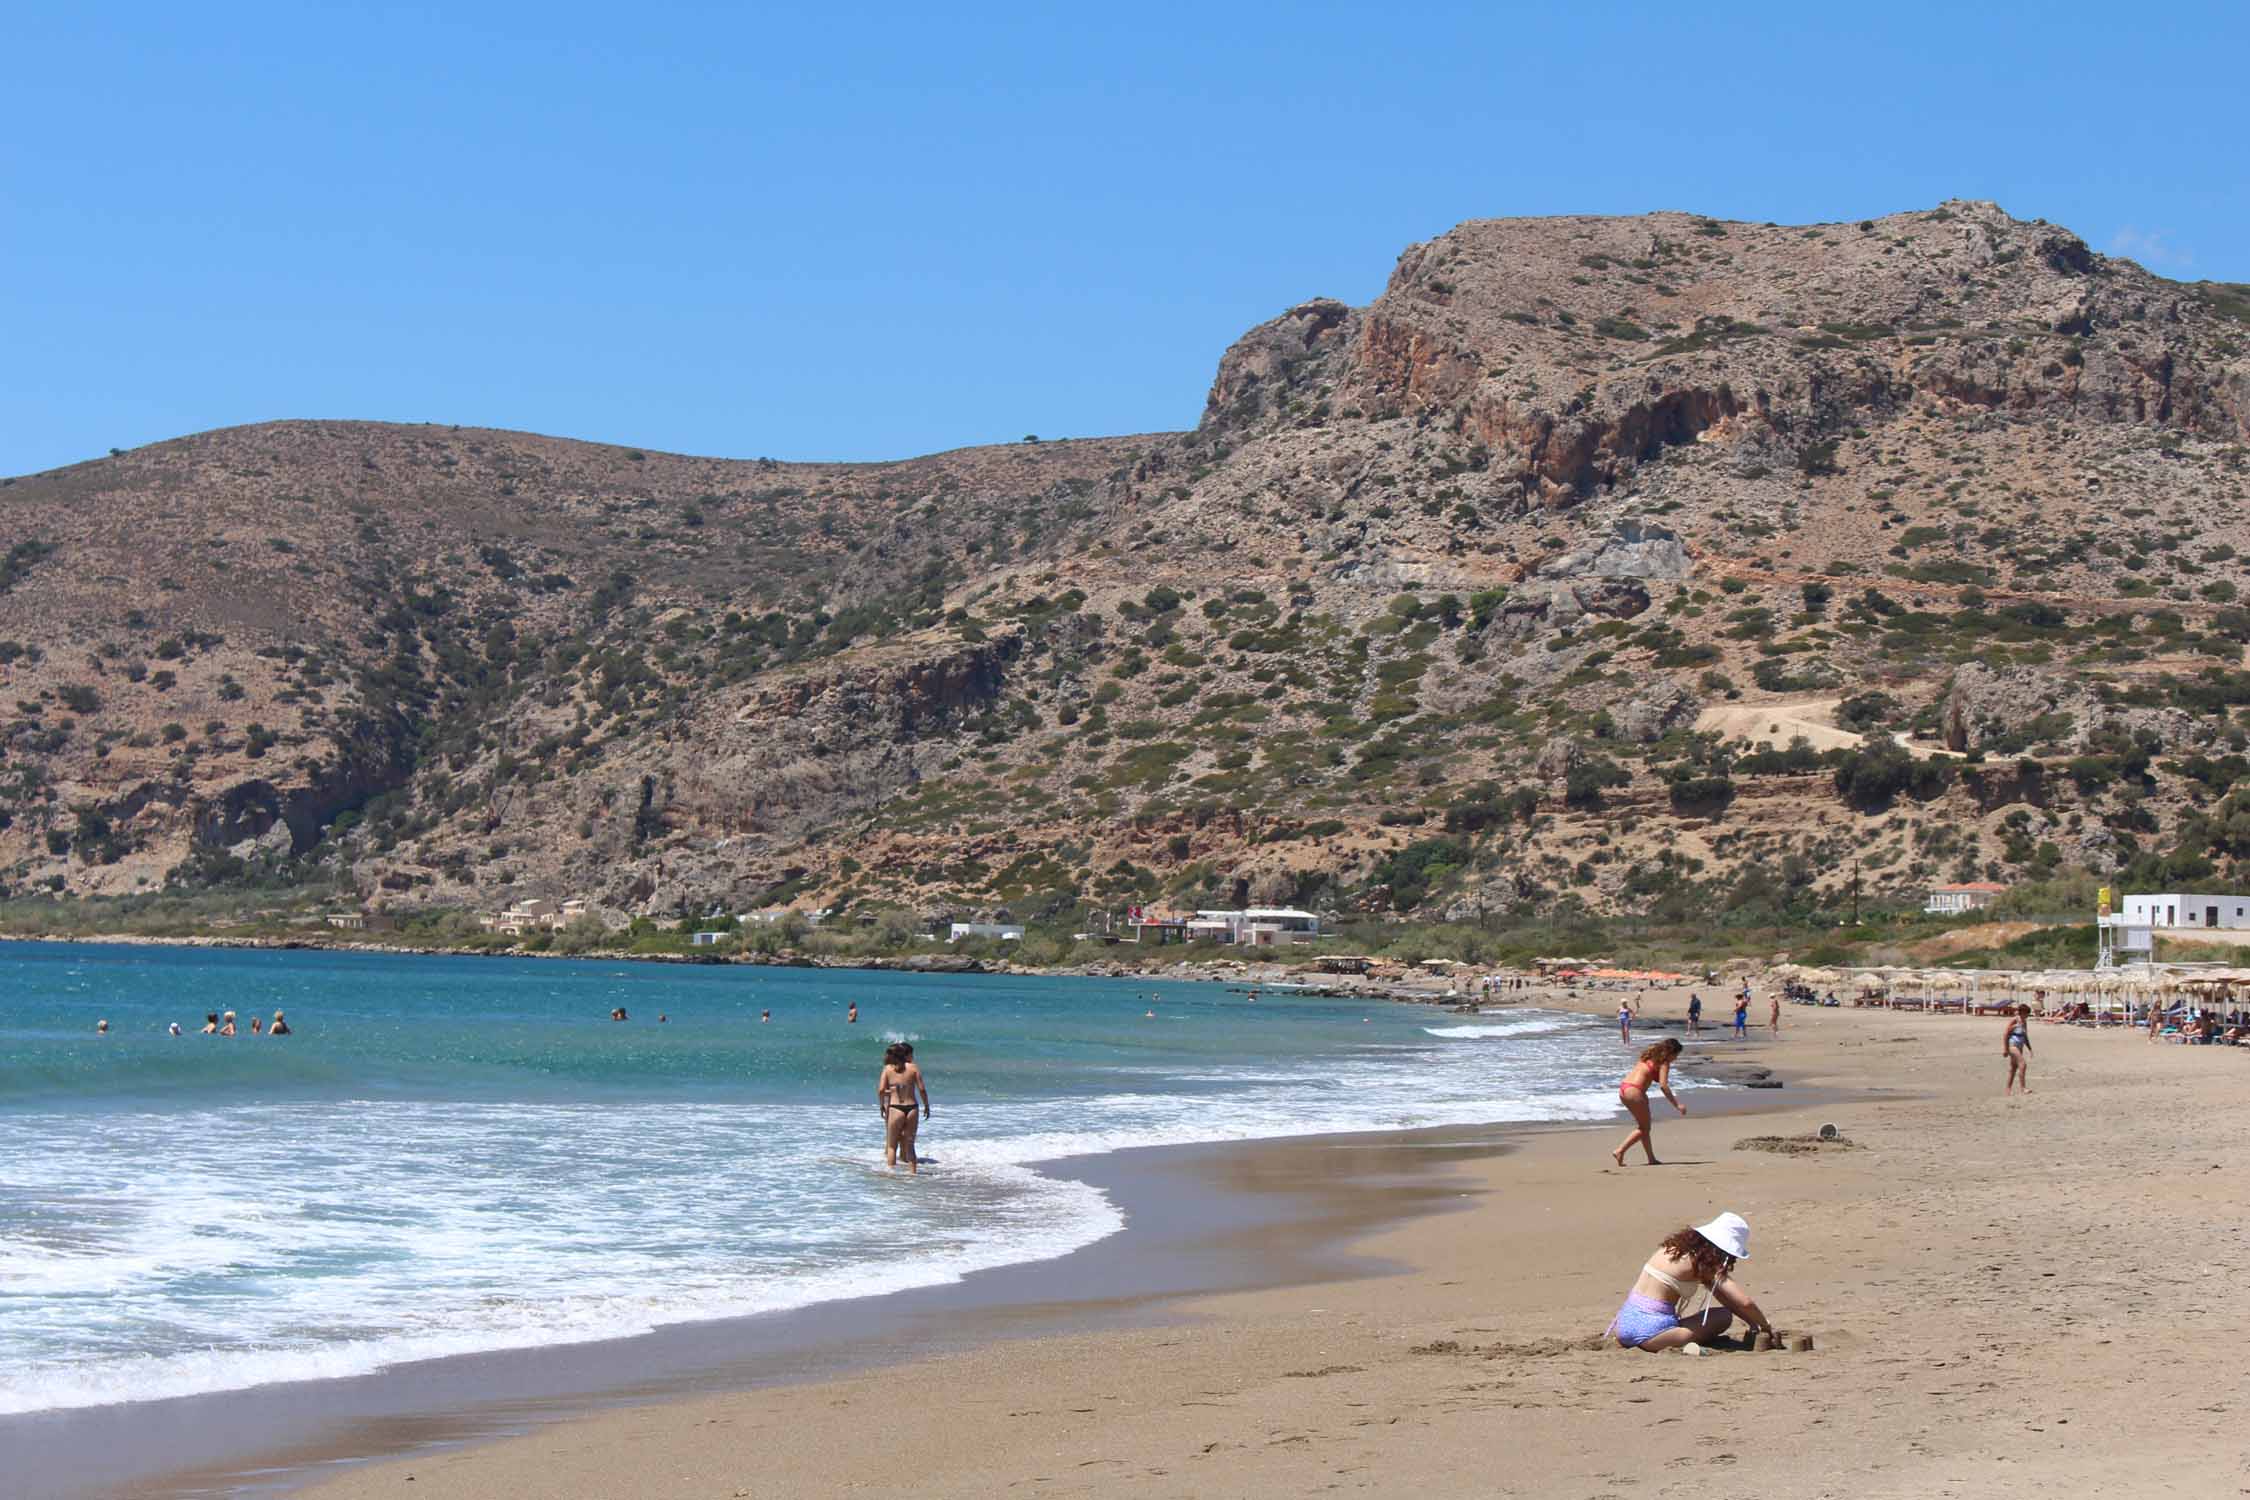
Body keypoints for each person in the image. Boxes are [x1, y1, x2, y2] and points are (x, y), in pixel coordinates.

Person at [1608, 1212, 1774, 1351]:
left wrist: (1752, 1323)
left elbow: (1724, 1296)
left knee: (1719, 1313)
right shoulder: (1704, 1265)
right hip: (1653, 1333)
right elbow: (1745, 1302)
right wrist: (1764, 1325)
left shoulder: (1672, 1249)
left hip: (1623, 1326)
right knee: (1723, 1317)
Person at [1611, 1038, 1686, 1167]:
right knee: (1644, 1128)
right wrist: (1677, 1105)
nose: (1676, 1059)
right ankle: (1620, 1150)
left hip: (1624, 1089)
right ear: (1671, 1053)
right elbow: (1663, 1086)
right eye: (1676, 1055)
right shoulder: (1664, 1063)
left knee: (1644, 1127)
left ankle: (1651, 1158)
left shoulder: (1648, 1056)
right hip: (1635, 1091)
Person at [877, 1041, 929, 1172]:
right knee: (910, 1145)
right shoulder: (913, 1068)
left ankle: (892, 1177)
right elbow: (922, 1089)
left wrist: (881, 1104)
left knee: (892, 1146)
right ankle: (912, 1176)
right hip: (912, 1108)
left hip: (895, 1108)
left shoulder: (888, 1069)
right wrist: (927, 1106)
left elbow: (881, 1090)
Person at [2004, 1003, 2032, 1093]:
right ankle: (2023, 1088)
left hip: (2020, 1045)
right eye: (2027, 1013)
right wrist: (2005, 1049)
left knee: (2013, 1068)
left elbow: (2025, 1036)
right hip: (2012, 1045)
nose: (2027, 1015)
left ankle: (2008, 1089)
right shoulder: (2015, 1020)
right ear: (2022, 1012)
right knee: (2023, 1064)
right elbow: (2005, 1034)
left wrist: (2030, 1048)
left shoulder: (2024, 1022)